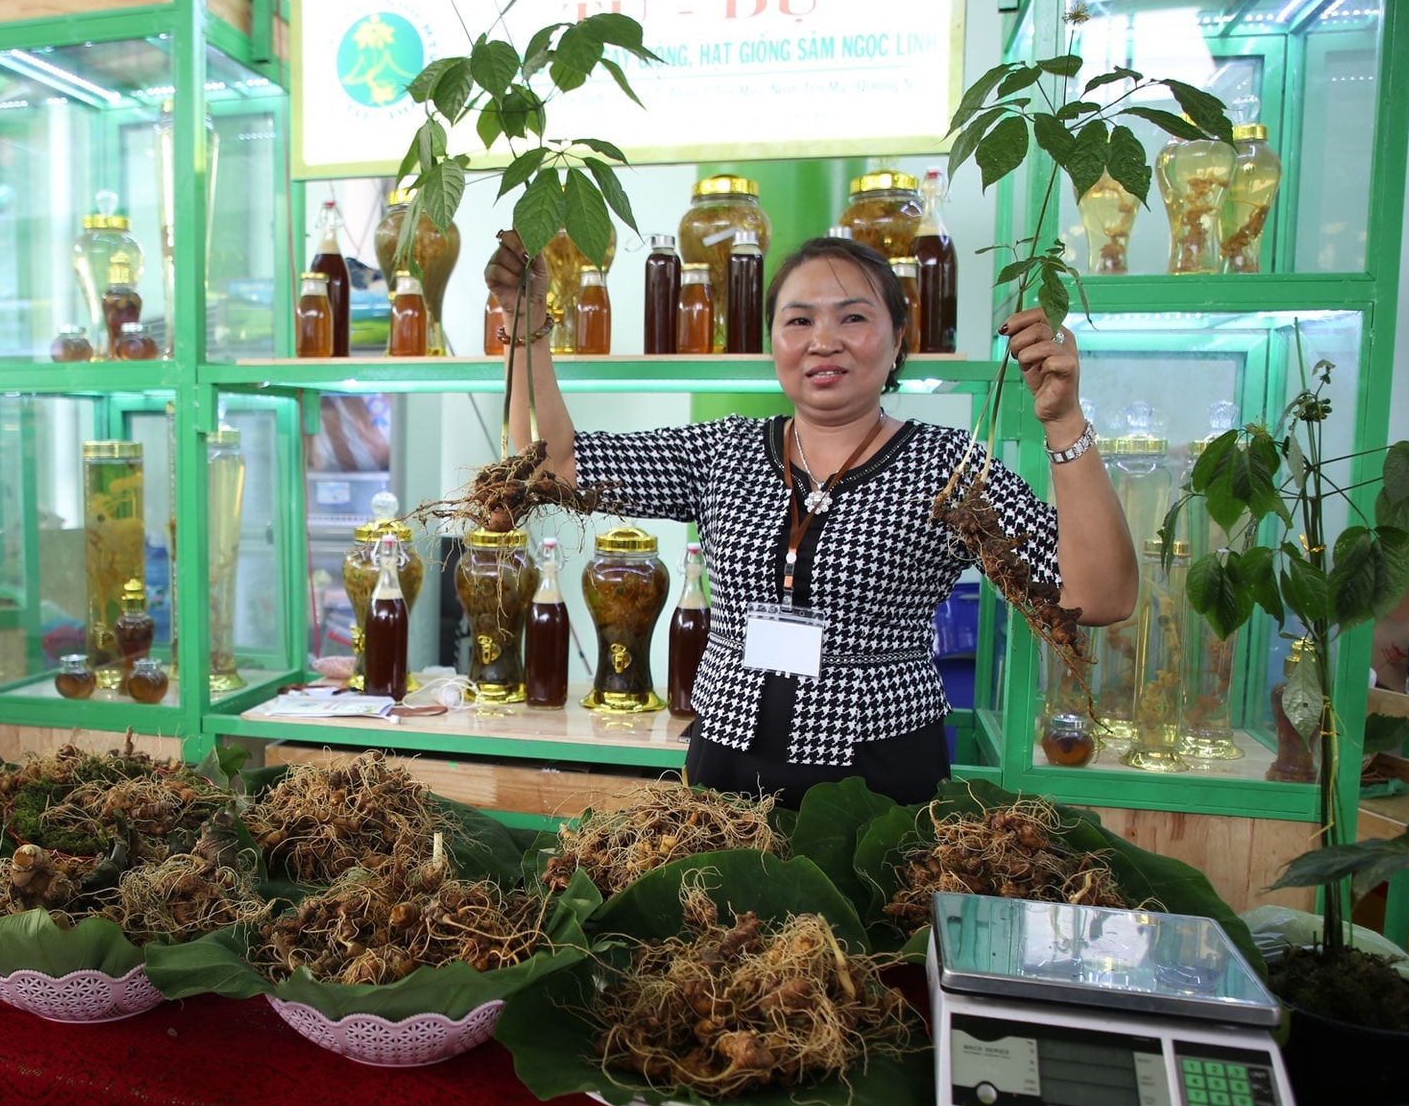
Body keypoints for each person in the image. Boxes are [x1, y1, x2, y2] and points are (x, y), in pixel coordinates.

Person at [486, 231, 1137, 806]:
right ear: (773, 340)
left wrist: (1063, 423)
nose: (823, 341)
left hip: (879, 775)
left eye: (853, 317)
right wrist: (531, 325)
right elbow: (550, 469)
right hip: (727, 764)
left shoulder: (949, 469)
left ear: (898, 340)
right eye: (799, 321)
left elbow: (1097, 595)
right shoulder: (723, 452)